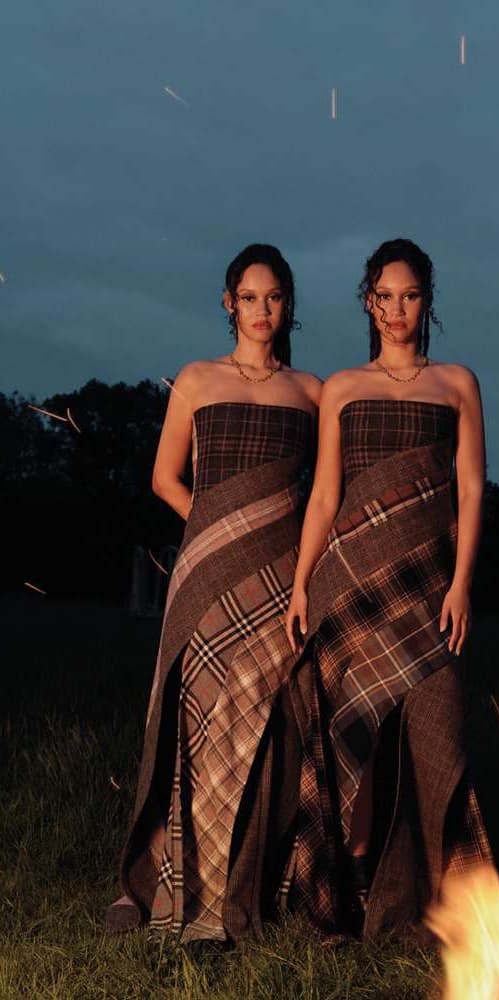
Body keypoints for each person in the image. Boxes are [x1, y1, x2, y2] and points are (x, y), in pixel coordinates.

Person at [106, 243, 320, 942]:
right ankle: (181, 891)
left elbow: (323, 494)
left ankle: (253, 889)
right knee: (196, 729)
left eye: (274, 297)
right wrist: (220, 532)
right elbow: (165, 480)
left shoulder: (312, 393)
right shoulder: (196, 381)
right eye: (249, 297)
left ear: (287, 305)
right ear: (228, 302)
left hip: (281, 583)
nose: (262, 310)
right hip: (207, 578)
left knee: (266, 730)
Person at [284, 237, 490, 940]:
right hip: (352, 588)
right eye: (384, 296)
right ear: (366, 302)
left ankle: (444, 906)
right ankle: (348, 897)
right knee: (354, 745)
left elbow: (468, 489)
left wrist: (461, 584)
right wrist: (301, 586)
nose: (396, 309)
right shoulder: (341, 387)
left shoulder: (456, 383)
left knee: (439, 742)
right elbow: (323, 498)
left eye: (409, 296)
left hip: (429, 586)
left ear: (425, 301)